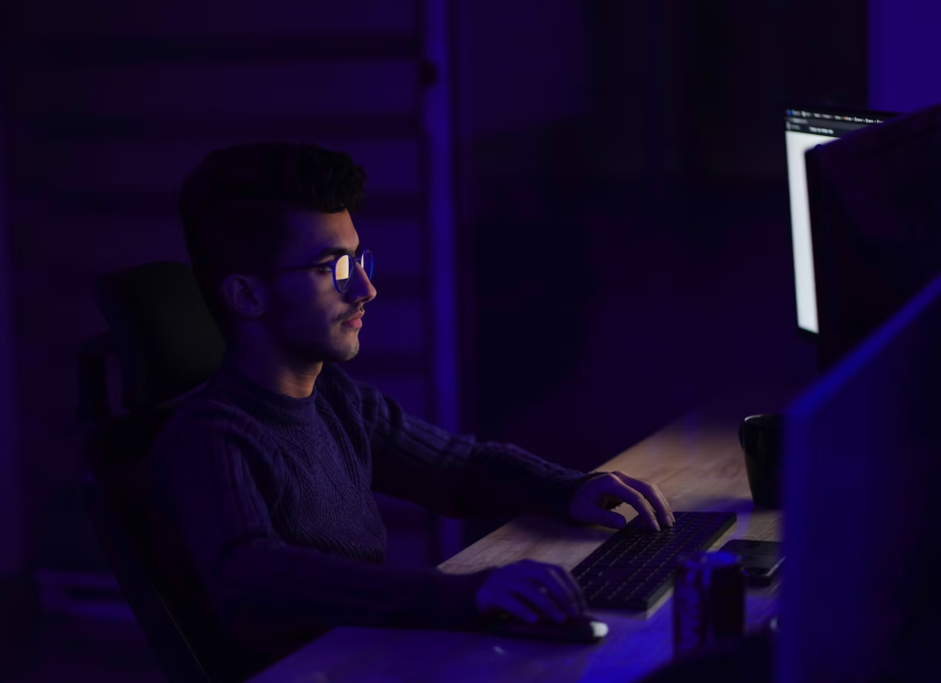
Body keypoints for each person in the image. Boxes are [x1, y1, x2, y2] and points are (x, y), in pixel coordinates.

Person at [147, 142, 675, 674]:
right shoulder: (209, 435)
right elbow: (255, 576)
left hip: (376, 660)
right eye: (332, 269)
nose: (366, 288)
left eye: (358, 260)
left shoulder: (335, 398)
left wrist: (569, 488)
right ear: (246, 297)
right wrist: (461, 595)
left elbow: (459, 468)